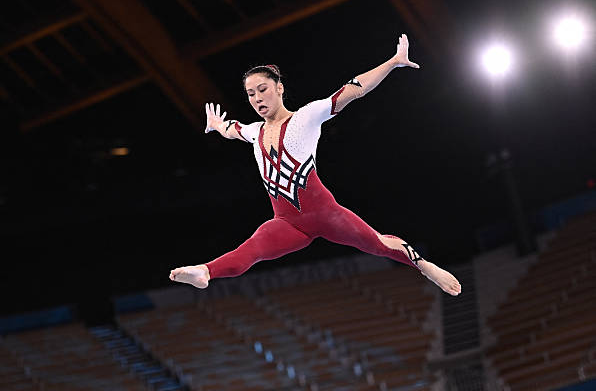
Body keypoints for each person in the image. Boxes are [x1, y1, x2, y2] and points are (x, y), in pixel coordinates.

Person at [170, 34, 461, 296]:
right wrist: (217, 125)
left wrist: (393, 62)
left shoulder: (305, 117)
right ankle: (205, 271)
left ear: (280, 88)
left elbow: (353, 89)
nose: (257, 98)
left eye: (263, 89)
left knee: (377, 243)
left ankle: (425, 266)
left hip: (326, 214)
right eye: (250, 94)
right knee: (252, 248)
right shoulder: (255, 131)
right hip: (286, 223)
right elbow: (234, 128)